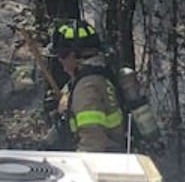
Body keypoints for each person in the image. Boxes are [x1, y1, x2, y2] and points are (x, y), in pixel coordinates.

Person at [45, 18, 125, 153]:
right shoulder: (99, 74)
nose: (59, 61)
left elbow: (92, 143)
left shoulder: (87, 87)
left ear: (73, 55)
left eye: (61, 55)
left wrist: (77, 172)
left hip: (101, 164)